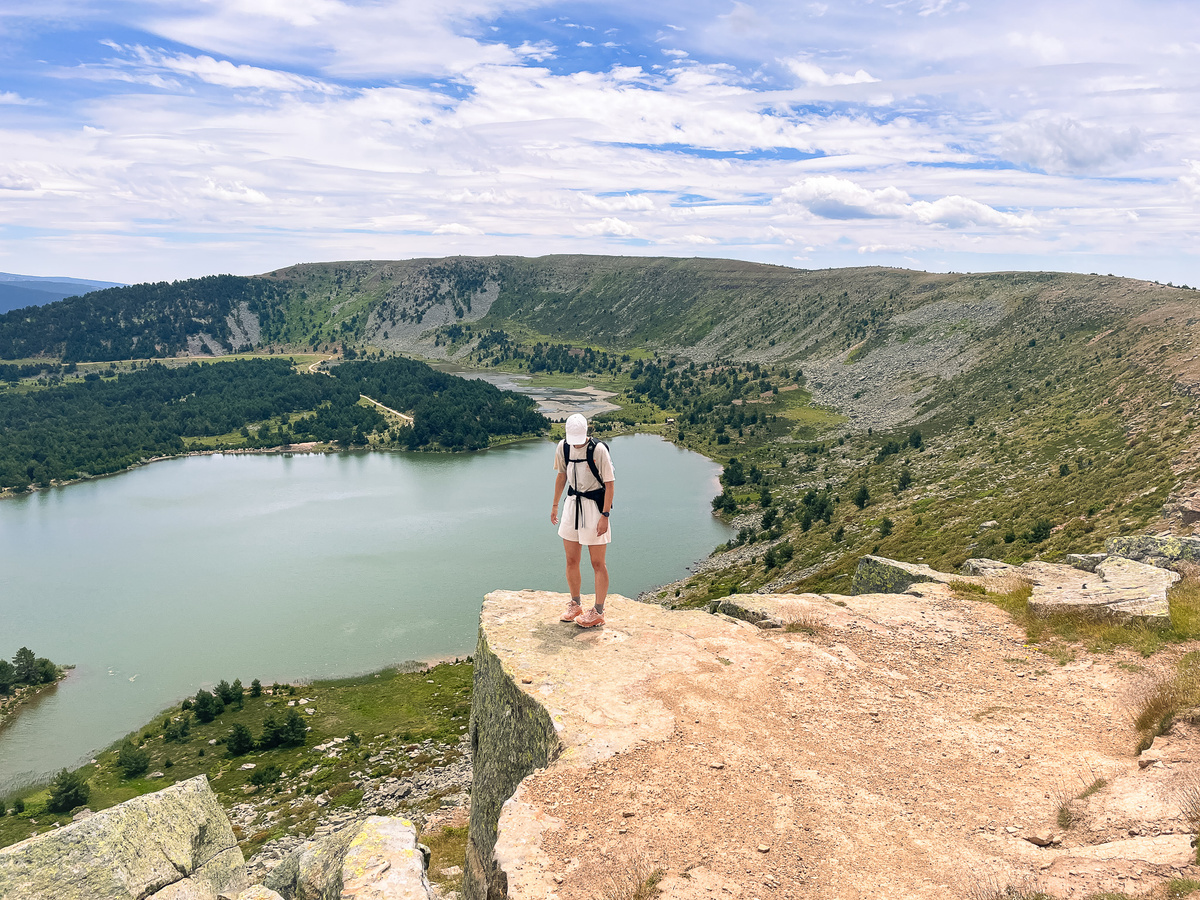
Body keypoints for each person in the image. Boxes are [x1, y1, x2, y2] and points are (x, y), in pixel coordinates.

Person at [551, 413, 615, 628]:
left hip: (594, 507)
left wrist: (605, 515)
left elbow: (610, 483)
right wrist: (554, 506)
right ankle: (575, 603)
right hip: (572, 504)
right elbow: (561, 476)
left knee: (597, 562)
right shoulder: (564, 447)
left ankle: (598, 611)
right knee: (571, 559)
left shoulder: (598, 450)